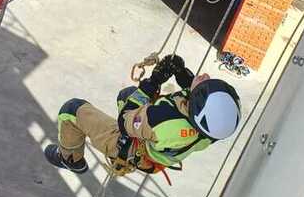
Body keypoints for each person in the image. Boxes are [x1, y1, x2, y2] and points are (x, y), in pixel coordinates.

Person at [44, 55, 240, 175]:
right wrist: (183, 74)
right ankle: (130, 136)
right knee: (126, 94)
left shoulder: (163, 121)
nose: (205, 77)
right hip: (160, 151)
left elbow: (124, 120)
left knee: (71, 110)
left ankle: (71, 160)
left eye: (204, 85)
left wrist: (153, 82)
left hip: (135, 150)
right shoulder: (215, 129)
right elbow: (201, 106)